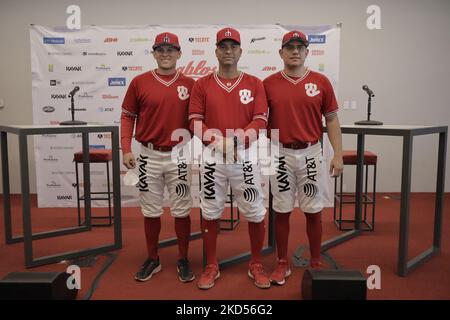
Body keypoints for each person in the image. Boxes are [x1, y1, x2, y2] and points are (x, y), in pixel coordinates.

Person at [188, 27, 270, 290]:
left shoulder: (255, 83)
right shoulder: (202, 84)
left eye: (233, 46)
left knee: (254, 211)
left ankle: (256, 264)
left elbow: (260, 121)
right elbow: (194, 122)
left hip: (244, 155)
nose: (228, 51)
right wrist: (218, 142)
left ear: (240, 51)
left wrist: (235, 141)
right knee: (210, 210)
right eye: (223, 46)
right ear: (215, 51)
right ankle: (211, 265)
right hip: (213, 154)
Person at [263, 30, 344, 285]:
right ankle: (282, 263)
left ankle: (316, 260)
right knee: (282, 209)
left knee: (313, 210)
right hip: (280, 153)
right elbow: (257, 120)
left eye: (300, 47)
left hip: (310, 152)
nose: (295, 51)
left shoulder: (321, 81)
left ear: (307, 52)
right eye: (290, 47)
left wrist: (338, 155)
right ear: (281, 52)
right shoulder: (268, 84)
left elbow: (331, 119)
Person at [120, 32, 196, 283]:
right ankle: (153, 258)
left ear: (179, 53)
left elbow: (199, 119)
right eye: (160, 50)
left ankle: (183, 258)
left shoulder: (191, 84)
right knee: (151, 210)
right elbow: (127, 116)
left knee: (182, 209)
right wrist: (126, 148)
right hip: (149, 154)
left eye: (170, 49)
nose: (165, 54)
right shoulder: (140, 82)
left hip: (179, 154)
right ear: (153, 53)